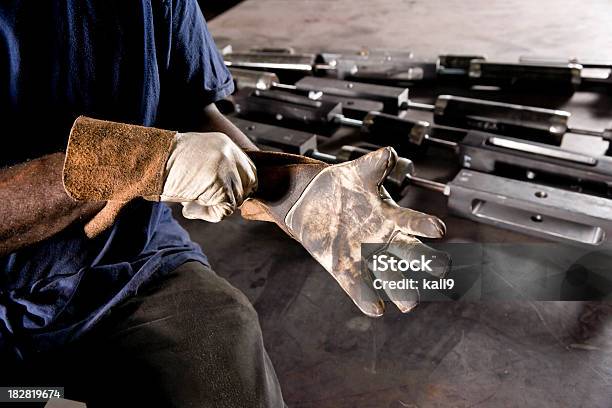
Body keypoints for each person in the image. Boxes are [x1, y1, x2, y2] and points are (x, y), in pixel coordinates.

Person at [0, 1, 285, 406]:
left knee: (225, 344)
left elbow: (192, 107)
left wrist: (307, 198)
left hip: (127, 258)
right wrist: (144, 162)